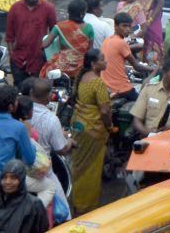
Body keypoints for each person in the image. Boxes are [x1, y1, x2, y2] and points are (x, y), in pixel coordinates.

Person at [70, 49, 112, 215]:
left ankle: (75, 201)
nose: (106, 62)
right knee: (91, 168)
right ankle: (86, 206)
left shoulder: (81, 77)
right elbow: (105, 111)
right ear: (94, 64)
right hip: (93, 130)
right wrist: (109, 126)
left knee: (78, 165)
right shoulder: (98, 83)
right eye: (102, 59)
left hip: (79, 125)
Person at [5, 0, 57, 88]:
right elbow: (9, 35)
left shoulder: (48, 8)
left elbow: (54, 32)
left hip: (38, 59)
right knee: (19, 88)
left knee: (36, 89)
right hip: (18, 59)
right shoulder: (15, 8)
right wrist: (12, 56)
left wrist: (48, 53)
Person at [100, 12, 152, 101]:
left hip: (106, 86)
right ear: (115, 26)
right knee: (142, 103)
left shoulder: (107, 40)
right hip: (121, 88)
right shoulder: (121, 42)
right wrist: (154, 69)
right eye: (124, 26)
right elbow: (137, 66)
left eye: (129, 26)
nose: (127, 29)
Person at [130, 57, 170, 137]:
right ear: (164, 73)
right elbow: (137, 120)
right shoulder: (149, 90)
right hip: (149, 139)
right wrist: (150, 135)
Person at [40, 0, 94, 79]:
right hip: (81, 66)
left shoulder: (60, 26)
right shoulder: (89, 28)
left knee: (46, 72)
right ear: (82, 13)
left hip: (63, 66)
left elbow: (45, 45)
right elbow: (90, 50)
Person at [27, 79, 71, 161]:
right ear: (49, 98)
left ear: (31, 93)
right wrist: (70, 142)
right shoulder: (52, 119)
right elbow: (61, 150)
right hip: (42, 165)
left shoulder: (20, 109)